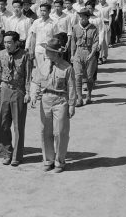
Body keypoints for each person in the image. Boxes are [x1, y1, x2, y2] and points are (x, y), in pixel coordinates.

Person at [30, 37, 76, 173]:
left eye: (49, 51)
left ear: (56, 53)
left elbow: (72, 87)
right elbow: (35, 81)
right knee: (45, 131)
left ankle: (60, 162)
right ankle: (48, 160)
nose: (46, 53)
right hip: (45, 100)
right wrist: (33, 95)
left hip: (60, 100)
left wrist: (72, 105)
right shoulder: (43, 65)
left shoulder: (67, 67)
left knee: (60, 132)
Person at [0, 31, 32, 166]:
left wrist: (28, 92)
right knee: (3, 123)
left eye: (9, 42)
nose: (6, 45)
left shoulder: (25, 55)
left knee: (18, 125)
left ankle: (17, 156)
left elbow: (28, 75)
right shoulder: (1, 54)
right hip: (4, 89)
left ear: (16, 43)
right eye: (5, 42)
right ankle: (5, 153)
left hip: (19, 90)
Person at [70, 7, 99, 106]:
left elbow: (95, 42)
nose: (81, 19)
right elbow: (73, 42)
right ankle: (79, 98)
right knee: (77, 76)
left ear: (87, 18)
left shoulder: (93, 28)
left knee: (89, 77)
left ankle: (89, 95)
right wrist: (72, 55)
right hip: (78, 52)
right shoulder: (75, 28)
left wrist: (92, 54)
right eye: (80, 17)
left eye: (83, 17)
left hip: (90, 52)